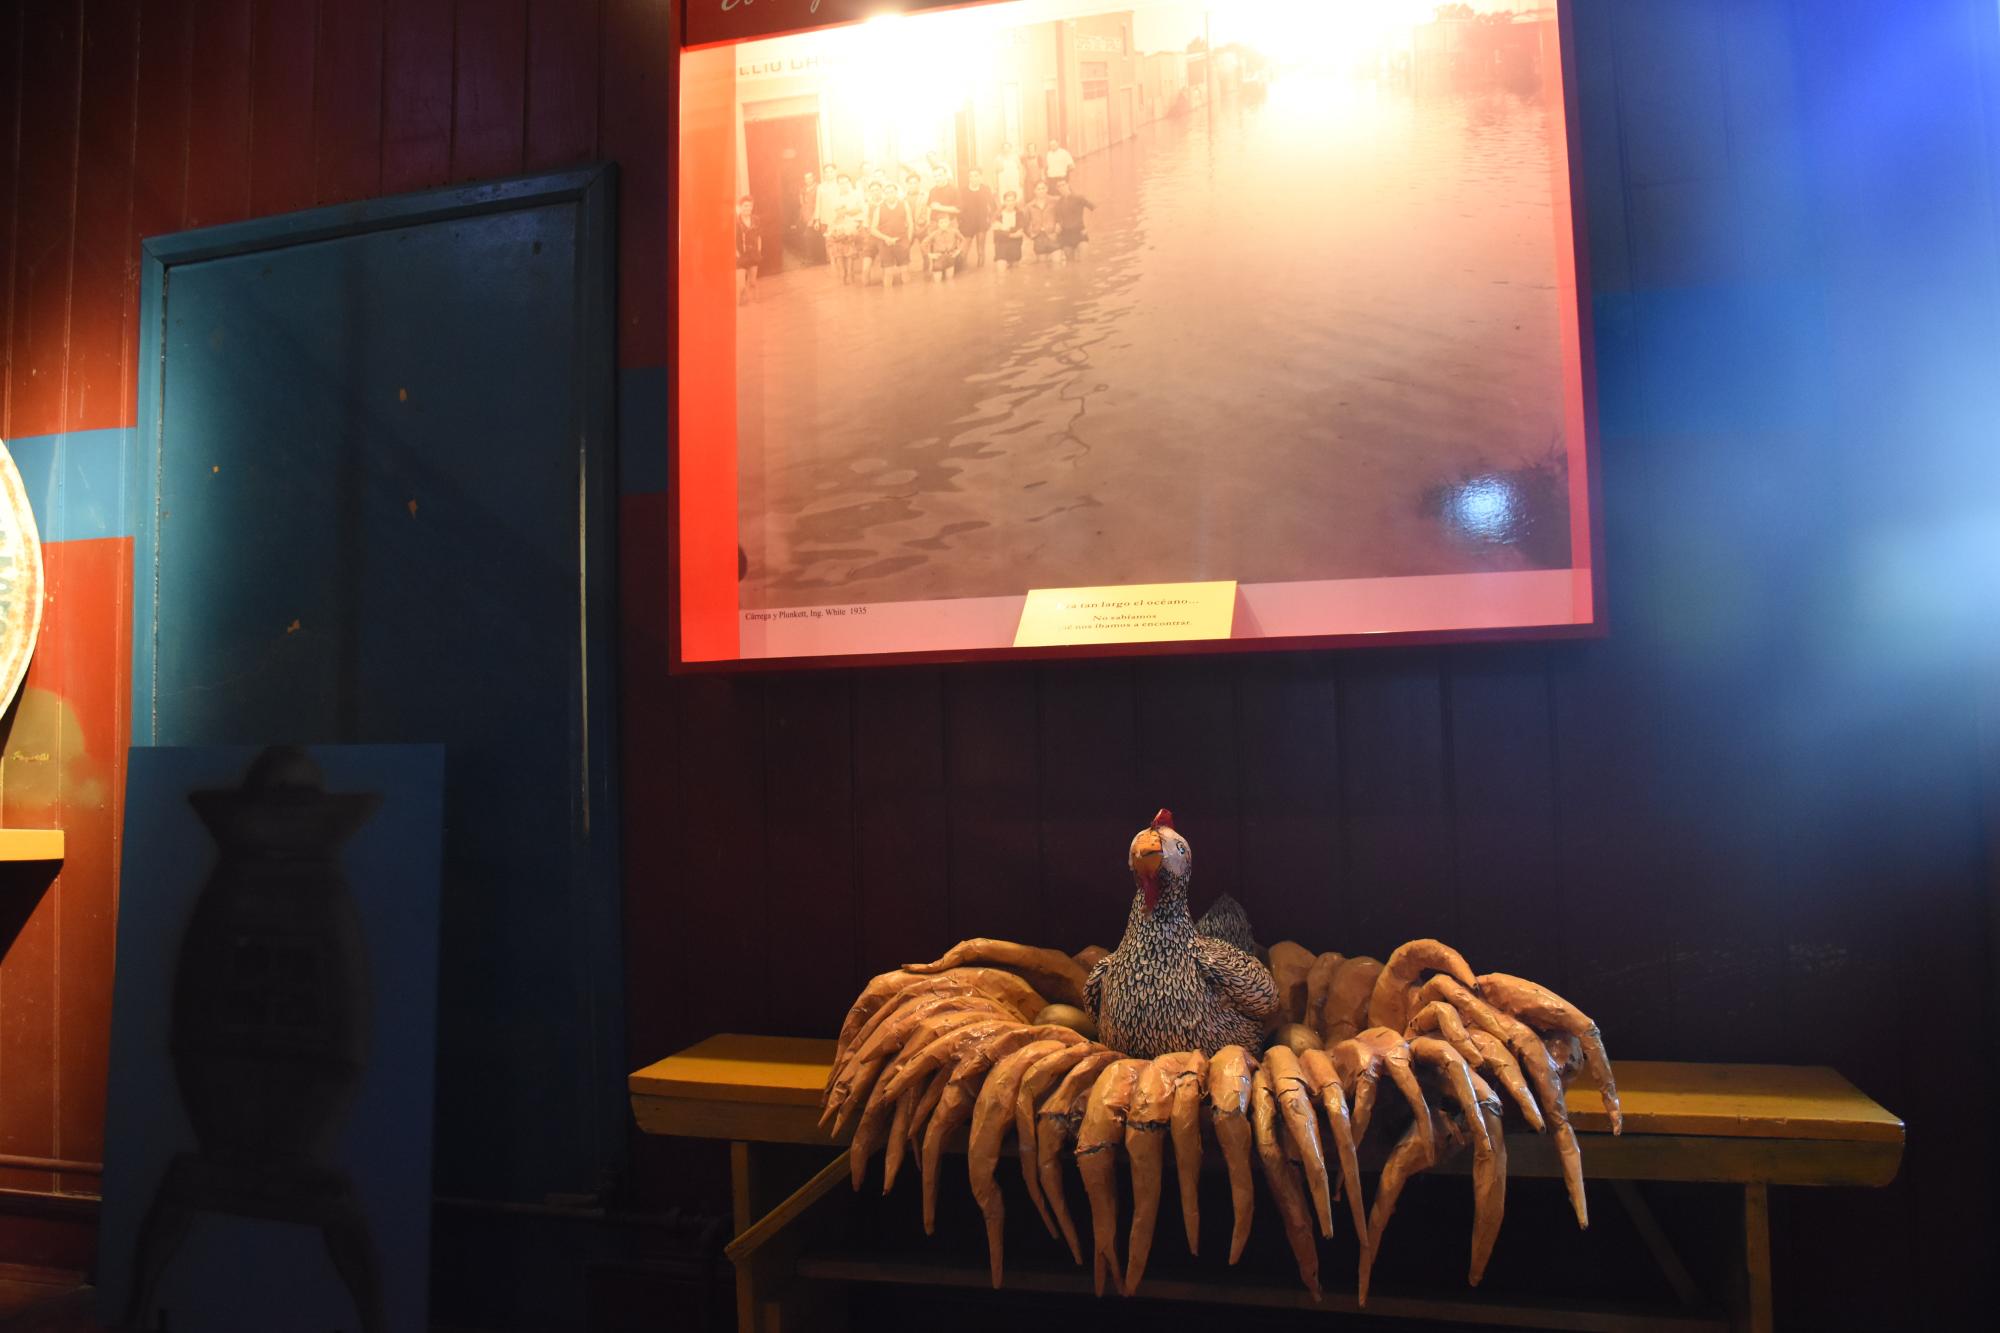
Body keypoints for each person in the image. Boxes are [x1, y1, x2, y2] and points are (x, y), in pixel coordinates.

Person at [870, 178, 914, 286]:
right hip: (885, 242)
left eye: (892, 192)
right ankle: (888, 294)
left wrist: (908, 240)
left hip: (901, 240)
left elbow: (910, 223)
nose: (890, 195)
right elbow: (873, 229)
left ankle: (909, 294)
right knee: (888, 274)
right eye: (887, 192)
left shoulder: (904, 204)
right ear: (884, 194)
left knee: (905, 272)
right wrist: (886, 238)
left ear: (896, 193)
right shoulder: (879, 208)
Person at [825, 173, 863, 284]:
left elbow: (860, 209)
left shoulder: (856, 195)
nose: (844, 185)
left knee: (849, 244)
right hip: (838, 224)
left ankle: (850, 272)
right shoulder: (834, 197)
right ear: (838, 185)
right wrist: (835, 227)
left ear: (850, 183)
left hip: (854, 224)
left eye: (846, 182)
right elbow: (832, 214)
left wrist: (846, 212)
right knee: (837, 244)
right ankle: (843, 272)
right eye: (841, 183)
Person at [958, 168, 994, 268]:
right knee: (964, 250)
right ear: (968, 178)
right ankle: (962, 269)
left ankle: (980, 272)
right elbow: (959, 207)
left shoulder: (985, 189)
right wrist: (960, 221)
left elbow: (993, 205)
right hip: (967, 223)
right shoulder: (964, 190)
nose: (973, 178)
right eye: (971, 176)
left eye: (976, 176)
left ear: (980, 177)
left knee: (980, 250)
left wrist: (990, 220)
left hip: (981, 222)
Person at [1053, 179, 1094, 261]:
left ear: (1068, 185)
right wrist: (1057, 225)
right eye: (1059, 186)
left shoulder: (1079, 197)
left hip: (1080, 233)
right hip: (1066, 236)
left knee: (1084, 262)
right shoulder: (1058, 203)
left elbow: (1093, 208)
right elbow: (1058, 220)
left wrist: (1089, 226)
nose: (1062, 187)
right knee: (1070, 263)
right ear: (1057, 189)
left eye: (1063, 185)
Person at [923, 203, 962, 282]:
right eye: (941, 223)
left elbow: (963, 240)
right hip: (939, 260)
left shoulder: (954, 231)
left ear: (949, 222)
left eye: (945, 222)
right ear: (938, 224)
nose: (944, 224)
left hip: (950, 258)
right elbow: (923, 244)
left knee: (950, 282)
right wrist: (929, 254)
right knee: (937, 284)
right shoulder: (934, 234)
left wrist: (958, 251)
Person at [734, 195, 762, 302]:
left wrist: (759, 250)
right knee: (741, 287)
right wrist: (736, 253)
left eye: (750, 206)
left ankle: (756, 304)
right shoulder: (735, 221)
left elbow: (759, 236)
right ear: (740, 207)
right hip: (740, 256)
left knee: (753, 283)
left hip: (753, 254)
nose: (748, 208)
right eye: (745, 206)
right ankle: (742, 299)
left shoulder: (756, 220)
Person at [1025, 179, 1061, 262]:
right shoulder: (1029, 206)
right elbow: (1025, 223)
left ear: (1047, 189)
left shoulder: (1055, 201)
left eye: (1043, 188)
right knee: (1042, 265)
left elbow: (1062, 215)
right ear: (1034, 191)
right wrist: (1031, 234)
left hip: (1053, 236)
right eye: (1038, 189)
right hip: (1039, 237)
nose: (1041, 191)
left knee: (1057, 263)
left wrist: (1058, 228)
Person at [991, 189, 1025, 269]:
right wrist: (1011, 234)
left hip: (1015, 245)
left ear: (1015, 201)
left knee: (1016, 271)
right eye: (1008, 201)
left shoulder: (1020, 214)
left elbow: (1020, 233)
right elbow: (997, 233)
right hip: (1001, 244)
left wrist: (1003, 229)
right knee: (1001, 269)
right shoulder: (998, 214)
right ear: (1004, 202)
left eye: (1012, 200)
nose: (1010, 203)